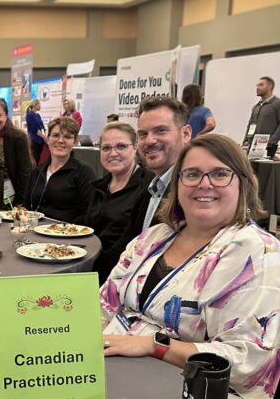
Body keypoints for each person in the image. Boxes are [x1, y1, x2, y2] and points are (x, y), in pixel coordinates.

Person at [100, 134, 280, 399]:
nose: (204, 184)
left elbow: (245, 361)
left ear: (243, 184)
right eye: (192, 174)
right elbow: (104, 303)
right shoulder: (154, 237)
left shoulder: (259, 256)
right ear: (178, 184)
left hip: (188, 387)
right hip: (115, 368)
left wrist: (153, 346)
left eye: (220, 174)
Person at [106, 96, 192, 269]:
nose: (150, 140)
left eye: (160, 131)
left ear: (186, 133)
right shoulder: (151, 190)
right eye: (143, 134)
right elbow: (125, 249)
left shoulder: (192, 192)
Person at [79, 122, 154, 283]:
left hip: (120, 275)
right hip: (89, 266)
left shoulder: (148, 187)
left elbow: (134, 242)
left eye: (121, 146)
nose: (113, 153)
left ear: (135, 148)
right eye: (106, 148)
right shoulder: (100, 186)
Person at [26, 117, 95, 221]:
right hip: (35, 232)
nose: (61, 140)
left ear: (75, 142)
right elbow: (26, 206)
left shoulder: (84, 172)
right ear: (48, 139)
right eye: (55, 135)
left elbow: (88, 213)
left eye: (67, 137)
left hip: (67, 234)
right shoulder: (37, 171)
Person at [0, 98, 32, 206]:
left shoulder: (18, 137)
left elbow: (25, 172)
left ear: (6, 116)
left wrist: (20, 202)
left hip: (15, 191)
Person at [244, 76, 280, 157]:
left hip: (270, 149)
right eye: (257, 85)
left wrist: (270, 142)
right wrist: (245, 141)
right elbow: (250, 125)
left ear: (269, 86)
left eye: (261, 85)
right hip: (253, 147)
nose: (257, 88)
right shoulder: (256, 106)